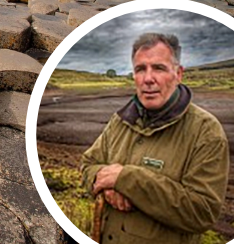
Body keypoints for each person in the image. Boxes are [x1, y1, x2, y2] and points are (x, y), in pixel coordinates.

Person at [81, 32, 229, 244]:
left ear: (178, 74)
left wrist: (126, 180)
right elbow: (87, 165)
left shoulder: (206, 132)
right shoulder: (120, 120)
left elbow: (202, 212)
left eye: (158, 68)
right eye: (140, 69)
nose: (148, 78)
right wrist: (106, 184)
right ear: (134, 75)